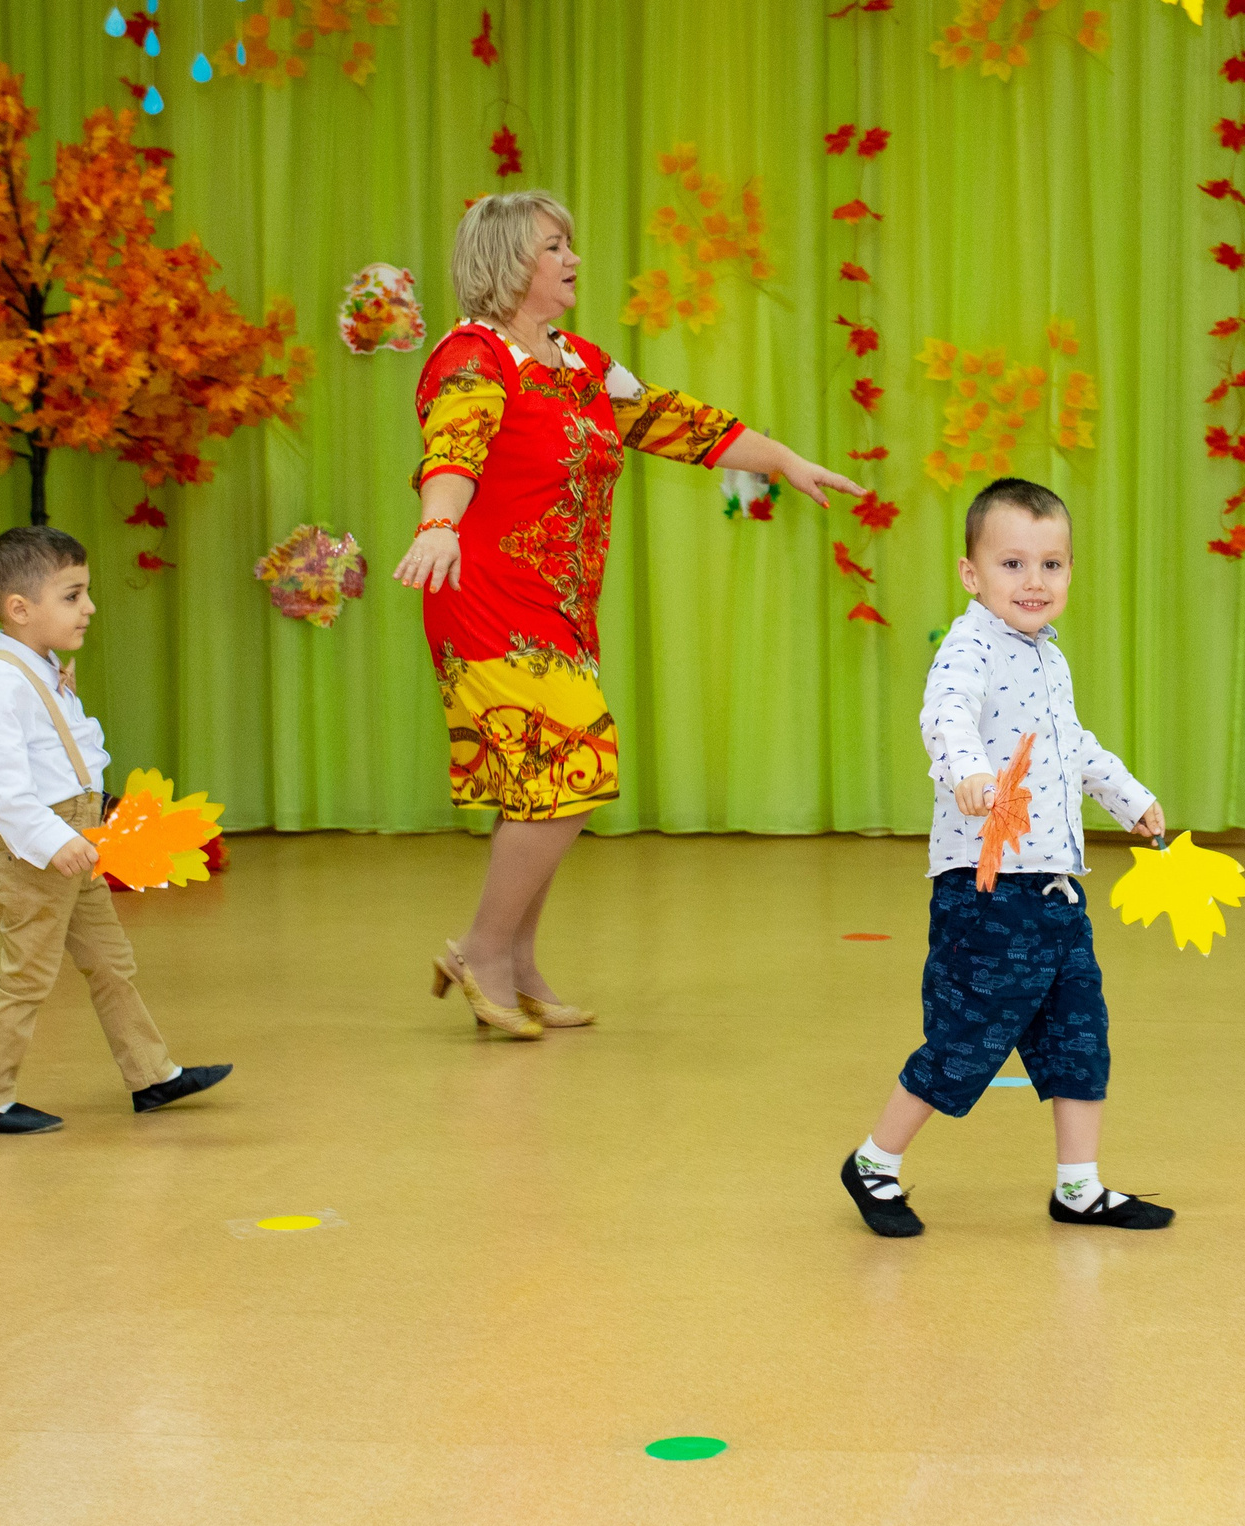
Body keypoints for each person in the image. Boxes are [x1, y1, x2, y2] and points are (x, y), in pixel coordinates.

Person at [393, 190, 861, 1038]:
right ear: (505, 264)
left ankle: (518, 964)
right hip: (488, 603)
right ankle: (483, 951)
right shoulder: (473, 356)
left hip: (561, 607)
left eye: (570, 243)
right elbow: (453, 447)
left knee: (536, 789)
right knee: (573, 769)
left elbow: (674, 421)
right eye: (552, 247)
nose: (571, 258)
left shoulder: (578, 362)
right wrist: (437, 522)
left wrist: (784, 458)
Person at [840, 478, 1172, 1239]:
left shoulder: (1048, 658)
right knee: (966, 1036)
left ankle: (1078, 1187)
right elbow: (944, 713)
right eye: (1013, 564)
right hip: (986, 891)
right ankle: (873, 1163)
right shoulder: (972, 646)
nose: (1034, 582)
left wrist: (1127, 796)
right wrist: (969, 771)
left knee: (1079, 1035)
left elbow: (1072, 745)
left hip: (1056, 892)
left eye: (1052, 565)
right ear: (972, 574)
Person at [0, 527, 231, 1135]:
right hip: (42, 850)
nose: (89, 608)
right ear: (20, 609)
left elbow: (66, 754)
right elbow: (5, 792)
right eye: (73, 595)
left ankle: (152, 1075)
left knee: (110, 962)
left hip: (78, 839)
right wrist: (57, 841)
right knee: (26, 975)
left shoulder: (45, 669)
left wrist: (99, 813)